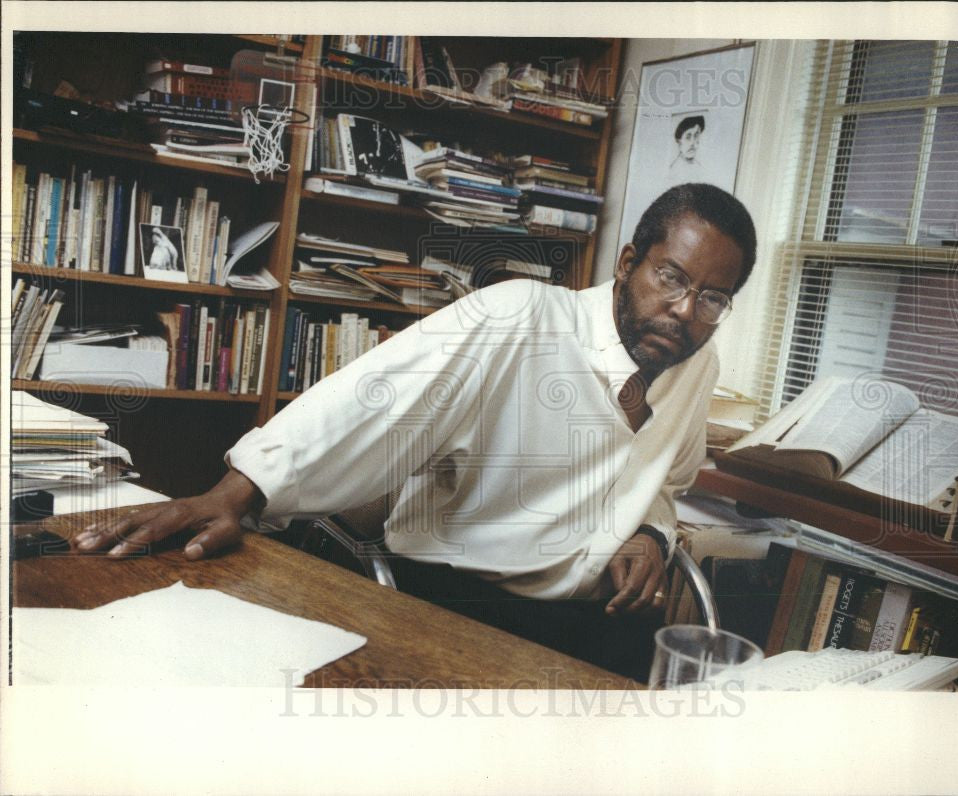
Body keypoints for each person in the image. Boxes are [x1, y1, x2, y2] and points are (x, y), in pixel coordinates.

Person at [76, 183, 756, 680]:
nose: (684, 310)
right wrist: (234, 494)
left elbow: (670, 476)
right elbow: (371, 401)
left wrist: (651, 531)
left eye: (712, 298)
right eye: (671, 278)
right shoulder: (520, 317)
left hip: (588, 623)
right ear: (628, 261)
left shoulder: (698, 362)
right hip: (463, 602)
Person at [667, 115, 706, 186]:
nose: (692, 142)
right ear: (679, 142)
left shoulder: (699, 166)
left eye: (696, 135)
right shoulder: (675, 170)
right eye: (688, 137)